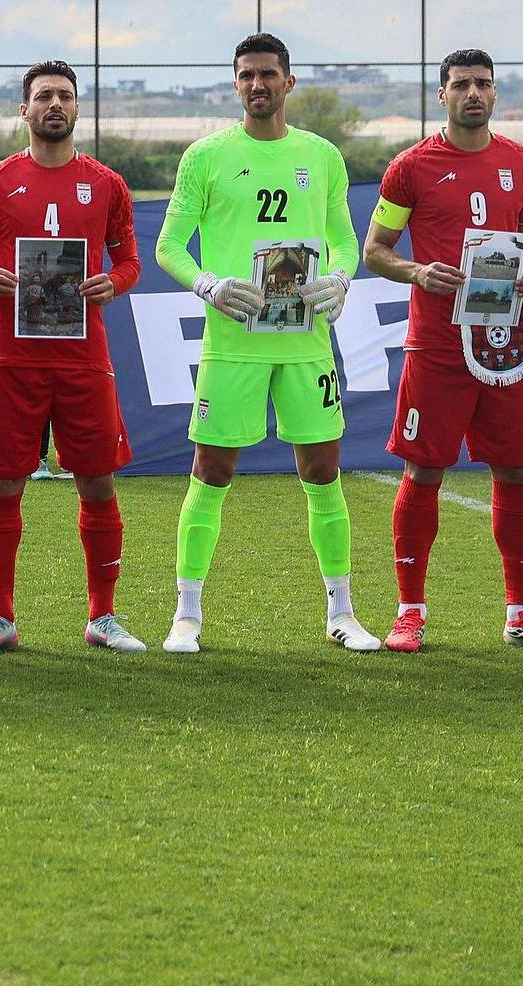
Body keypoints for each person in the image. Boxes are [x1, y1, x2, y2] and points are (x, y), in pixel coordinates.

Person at [153, 32, 378, 653]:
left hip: (306, 340)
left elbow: (344, 240)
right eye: (247, 75)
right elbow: (168, 246)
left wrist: (340, 278)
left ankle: (342, 612)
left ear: (288, 82)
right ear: (235, 84)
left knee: (323, 470)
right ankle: (187, 615)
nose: (258, 84)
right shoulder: (206, 156)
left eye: (268, 74)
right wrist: (210, 284)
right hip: (234, 340)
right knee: (212, 470)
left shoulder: (322, 155)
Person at [361, 48, 523, 652]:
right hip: (436, 344)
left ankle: (521, 612)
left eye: (482, 84)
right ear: (442, 95)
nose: (472, 93)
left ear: (495, 92)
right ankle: (410, 611)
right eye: (461, 85)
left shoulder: (522, 164)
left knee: (516, 468)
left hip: (505, 340)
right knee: (424, 469)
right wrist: (418, 272)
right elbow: (375, 250)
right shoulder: (410, 167)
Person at [0, 61, 145, 653]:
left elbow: (130, 261)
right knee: (5, 482)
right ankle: (0, 618)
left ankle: (102, 616)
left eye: (64, 95)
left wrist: (114, 282)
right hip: (14, 358)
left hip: (84, 358)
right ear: (25, 109)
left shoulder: (107, 184)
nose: (54, 104)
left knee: (97, 481)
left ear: (78, 108)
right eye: (43, 96)